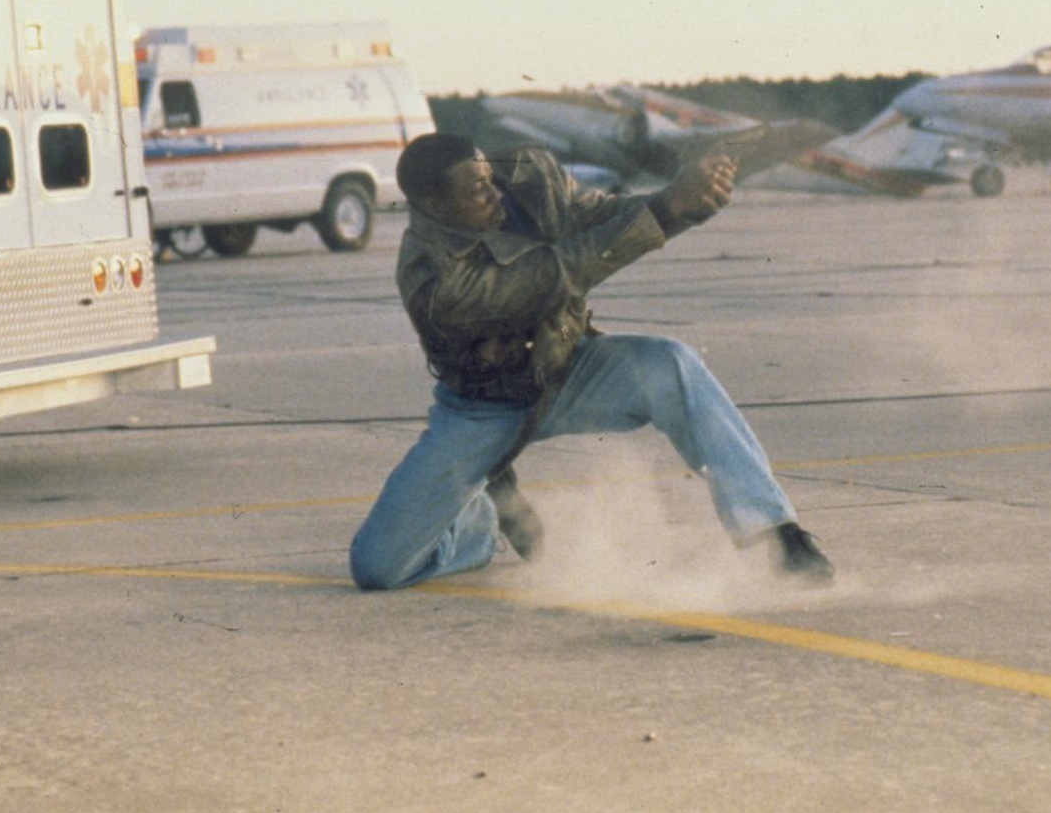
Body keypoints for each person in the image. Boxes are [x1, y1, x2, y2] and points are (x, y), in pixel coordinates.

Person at [349, 132, 833, 591]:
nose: (494, 191)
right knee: (378, 568)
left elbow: (601, 217)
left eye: (488, 176)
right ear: (435, 206)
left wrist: (689, 203)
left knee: (672, 364)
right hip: (483, 410)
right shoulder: (432, 277)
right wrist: (666, 206)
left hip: (569, 369)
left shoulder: (529, 174)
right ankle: (479, 523)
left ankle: (778, 532)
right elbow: (560, 273)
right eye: (476, 190)